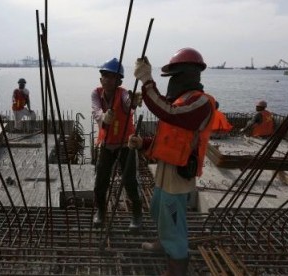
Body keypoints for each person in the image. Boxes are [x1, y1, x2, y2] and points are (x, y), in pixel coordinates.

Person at [129, 48, 216, 275]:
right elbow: (169, 134)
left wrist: (147, 80)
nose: (173, 81)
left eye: (176, 76)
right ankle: (163, 244)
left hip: (179, 174)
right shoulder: (182, 100)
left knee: (173, 223)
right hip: (166, 169)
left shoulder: (201, 103)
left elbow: (167, 112)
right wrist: (145, 143)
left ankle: (177, 265)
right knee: (158, 209)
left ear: (188, 74)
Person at [91, 57, 143, 230]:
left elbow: (129, 106)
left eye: (111, 76)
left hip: (125, 145)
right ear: (100, 79)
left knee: (130, 181)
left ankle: (136, 215)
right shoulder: (96, 93)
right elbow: (96, 111)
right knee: (100, 182)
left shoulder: (124, 93)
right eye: (104, 76)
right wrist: (104, 116)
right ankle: (100, 211)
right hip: (106, 144)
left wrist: (134, 101)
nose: (107, 79)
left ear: (119, 81)